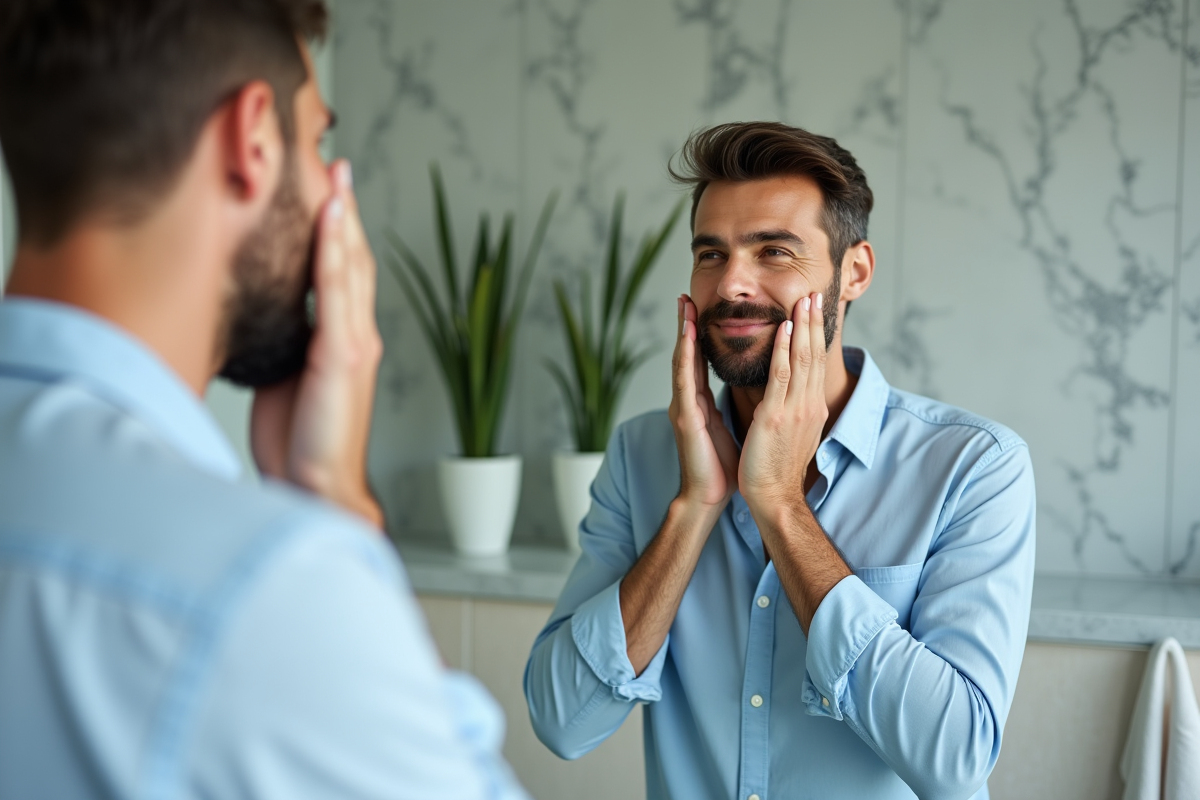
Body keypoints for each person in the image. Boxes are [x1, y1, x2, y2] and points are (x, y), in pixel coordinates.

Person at [0, 2, 528, 798]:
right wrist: (338, 503)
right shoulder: (273, 586)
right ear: (252, 141)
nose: (328, 195)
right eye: (318, 143)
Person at [524, 122, 1036, 800]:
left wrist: (781, 508)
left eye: (774, 251)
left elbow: (956, 759)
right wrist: (693, 510)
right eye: (710, 254)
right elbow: (562, 722)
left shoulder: (973, 468)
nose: (732, 284)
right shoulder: (640, 455)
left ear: (853, 273)